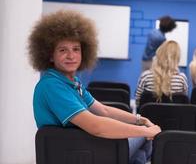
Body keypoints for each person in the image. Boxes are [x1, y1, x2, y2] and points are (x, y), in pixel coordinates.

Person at [28, 10, 161, 164]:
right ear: (50, 55)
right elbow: (96, 125)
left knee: (143, 145)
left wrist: (140, 120)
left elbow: (103, 110)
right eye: (63, 50)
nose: (71, 56)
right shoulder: (52, 86)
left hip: (85, 146)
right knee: (147, 140)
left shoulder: (72, 82)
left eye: (76, 49)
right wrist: (145, 131)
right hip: (77, 151)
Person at [136, 40, 188, 107]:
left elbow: (138, 102)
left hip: (149, 116)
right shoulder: (181, 78)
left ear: (159, 54)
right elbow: (184, 103)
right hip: (174, 117)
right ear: (177, 58)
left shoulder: (145, 76)